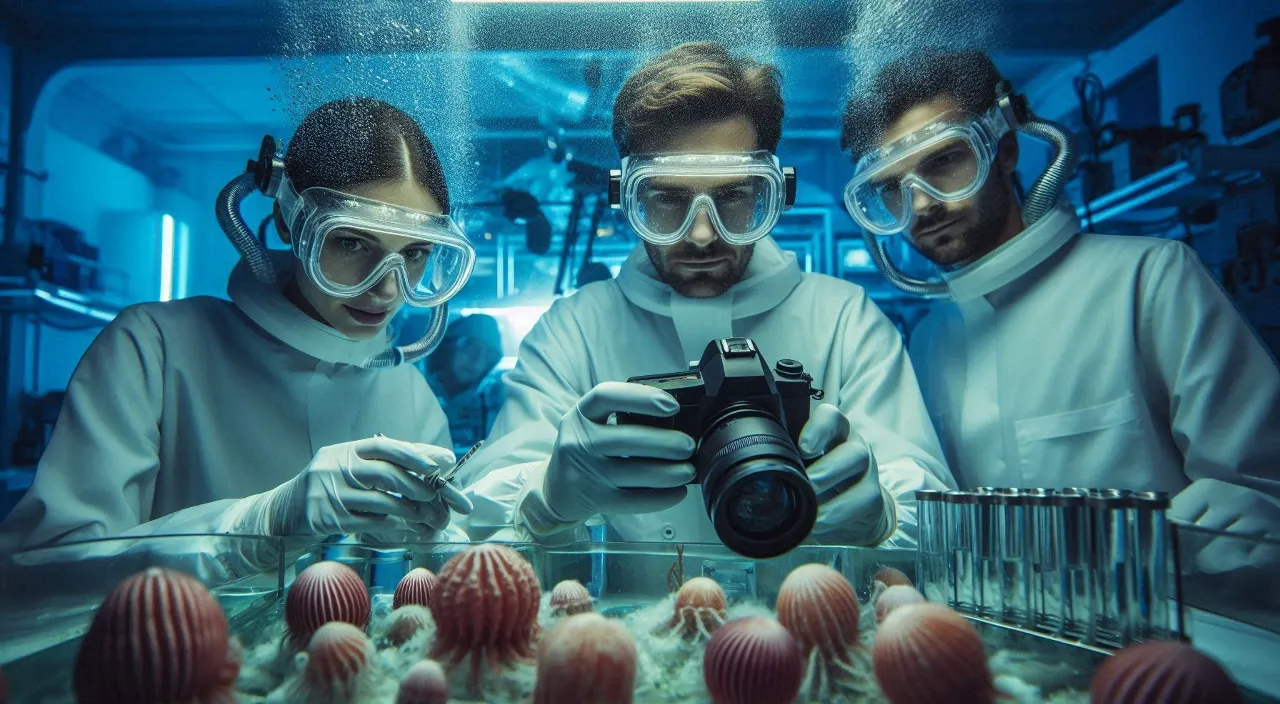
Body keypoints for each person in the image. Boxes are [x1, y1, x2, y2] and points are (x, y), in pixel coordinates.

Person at [459, 43, 954, 552]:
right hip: (637, 628)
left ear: (774, 194)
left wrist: (887, 518)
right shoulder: (575, 329)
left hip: (809, 626)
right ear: (627, 197)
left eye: (734, 197)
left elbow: (937, 513)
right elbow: (473, 523)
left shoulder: (844, 319)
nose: (700, 234)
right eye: (667, 199)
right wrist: (544, 501)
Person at [840, 49, 1280, 566]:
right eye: (892, 188)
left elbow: (1259, 492)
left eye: (943, 162)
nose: (920, 204)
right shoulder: (931, 337)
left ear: (1004, 151)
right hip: (1007, 641)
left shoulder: (1150, 279)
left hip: (1175, 631)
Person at [0, 98, 479, 562]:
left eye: (415, 253)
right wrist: (257, 525)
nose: (387, 289)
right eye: (352, 242)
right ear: (289, 222)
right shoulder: (155, 350)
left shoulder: (410, 398)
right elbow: (42, 576)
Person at [421, 313, 507, 453]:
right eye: (469, 346)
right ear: (449, 347)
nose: (476, 359)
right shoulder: (415, 389)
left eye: (486, 354)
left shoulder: (494, 404)